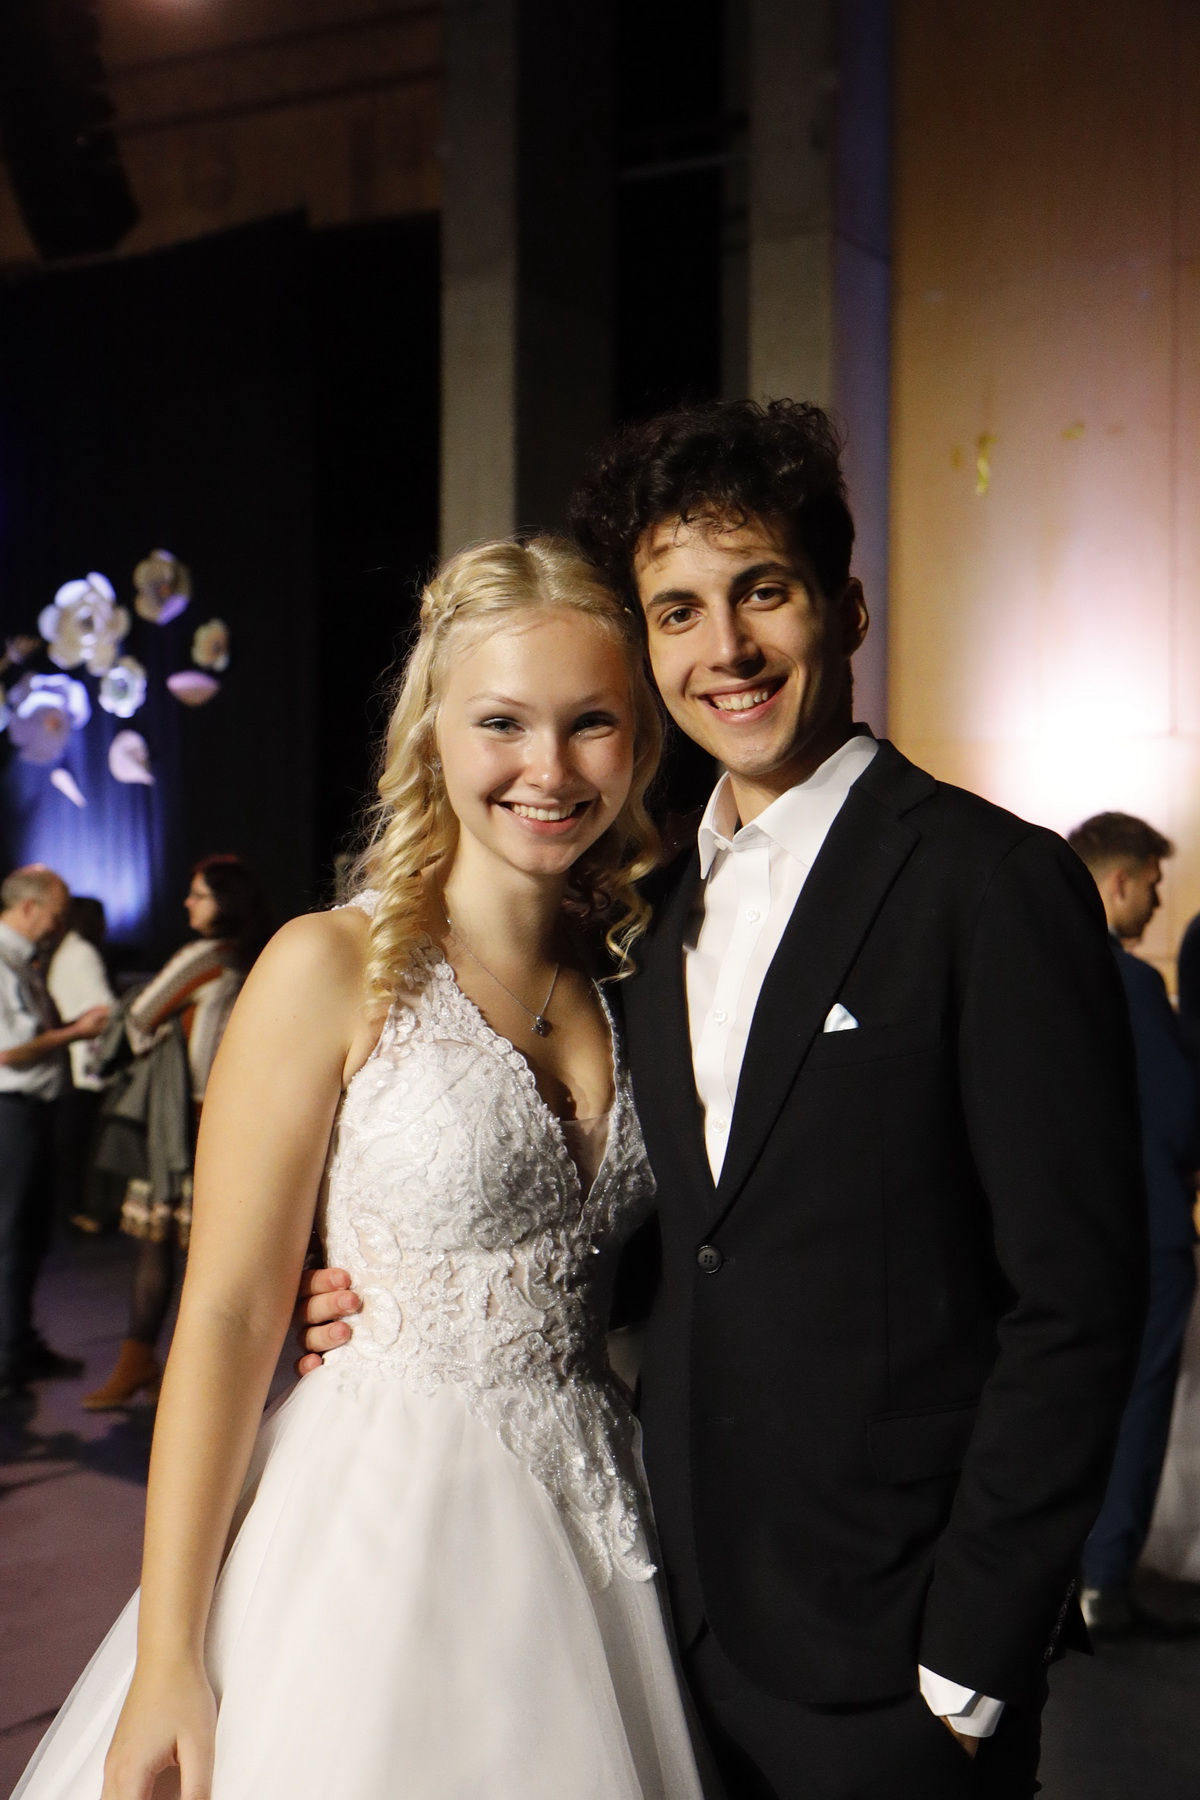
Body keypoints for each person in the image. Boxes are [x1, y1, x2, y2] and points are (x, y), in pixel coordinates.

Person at [298, 401, 1150, 1800]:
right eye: (678, 611)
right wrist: (397, 1291)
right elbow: (691, 1242)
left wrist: (974, 1659)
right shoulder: (648, 913)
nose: (726, 649)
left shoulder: (988, 884)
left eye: (764, 591)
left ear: (845, 607)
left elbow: (1080, 1297)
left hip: (896, 1653)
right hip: (662, 1622)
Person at [15, 538, 705, 1800]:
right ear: (432, 731)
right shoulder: (330, 964)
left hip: (599, 1514)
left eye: (592, 723)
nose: (550, 769)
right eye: (503, 722)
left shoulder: (635, 976)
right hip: (378, 1521)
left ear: (639, 740)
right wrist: (168, 1652)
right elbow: (227, 1314)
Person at [1064, 813, 1200, 1638]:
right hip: (1147, 1231)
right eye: (1151, 883)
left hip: (1062, 1237)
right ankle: (1106, 1580)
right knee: (1140, 1405)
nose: (1154, 901)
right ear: (1118, 882)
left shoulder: (1030, 972)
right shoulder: (1132, 983)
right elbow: (1180, 1119)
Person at [82, 856, 272, 1411]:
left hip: (186, 1125)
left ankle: (149, 1366)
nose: (188, 903)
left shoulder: (205, 957)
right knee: (217, 1256)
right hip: (244, 1122)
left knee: (161, 1247)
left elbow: (138, 1017)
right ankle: (200, 1379)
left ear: (225, 903)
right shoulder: (263, 958)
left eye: (199, 894)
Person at [0, 866, 109, 1403]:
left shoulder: (21, 960)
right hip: (11, 1110)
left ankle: (20, 1344)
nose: (59, 925)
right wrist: (77, 1032)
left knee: (31, 1235)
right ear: (28, 908)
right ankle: (7, 1358)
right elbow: (7, 1052)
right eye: (56, 914)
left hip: (32, 1110)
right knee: (10, 1235)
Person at [47, 897, 118, 1234]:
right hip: (85, 1062)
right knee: (82, 1144)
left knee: (72, 1142)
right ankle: (78, 1212)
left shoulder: (65, 952)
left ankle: (71, 1211)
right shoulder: (82, 952)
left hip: (73, 1060)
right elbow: (105, 1009)